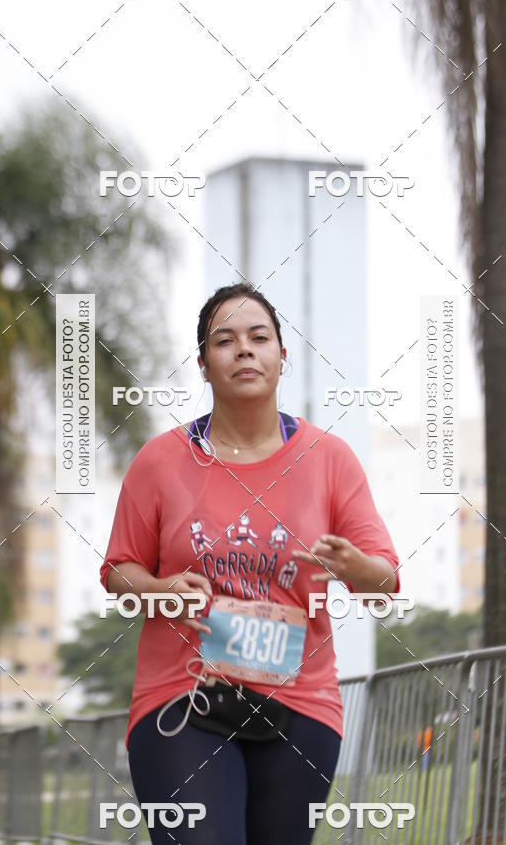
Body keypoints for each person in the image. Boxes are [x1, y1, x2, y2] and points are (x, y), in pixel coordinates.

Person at [99, 282, 401, 845]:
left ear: (282, 357)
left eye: (259, 338)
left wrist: (355, 566)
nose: (244, 349)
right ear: (203, 364)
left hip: (299, 701)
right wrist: (162, 588)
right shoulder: (161, 461)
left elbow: (384, 581)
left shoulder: (329, 460)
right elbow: (119, 572)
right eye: (224, 340)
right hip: (182, 697)